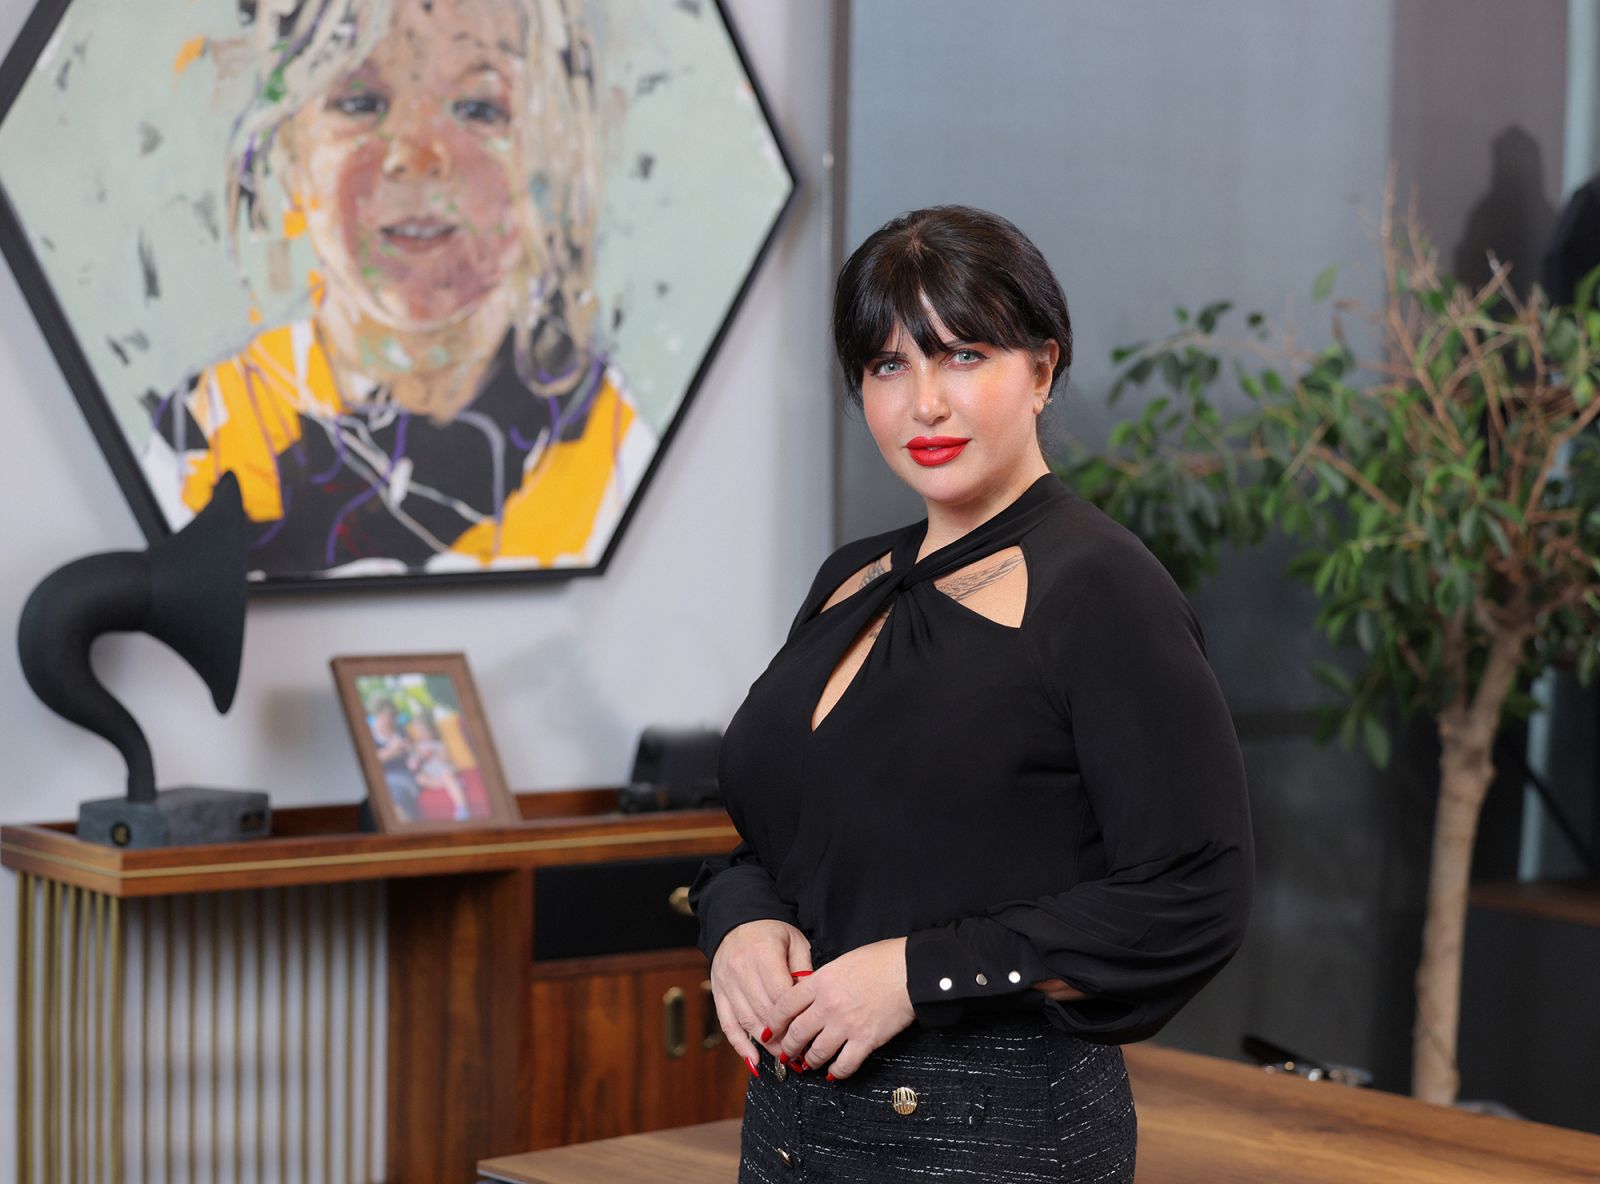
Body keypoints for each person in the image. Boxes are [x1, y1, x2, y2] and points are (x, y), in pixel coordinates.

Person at [690, 206, 1253, 1182]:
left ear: (1041, 369)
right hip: (792, 1134)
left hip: (998, 1137)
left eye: (962, 355)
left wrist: (917, 972)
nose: (924, 404)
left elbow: (1195, 890)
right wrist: (737, 922)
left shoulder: (1102, 588)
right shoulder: (850, 577)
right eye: (888, 366)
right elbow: (788, 841)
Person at [143, 0, 654, 580]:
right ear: (287, 149)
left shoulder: (611, 456)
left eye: (479, 108)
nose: (415, 155)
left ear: (555, 153)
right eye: (360, 103)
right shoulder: (212, 432)